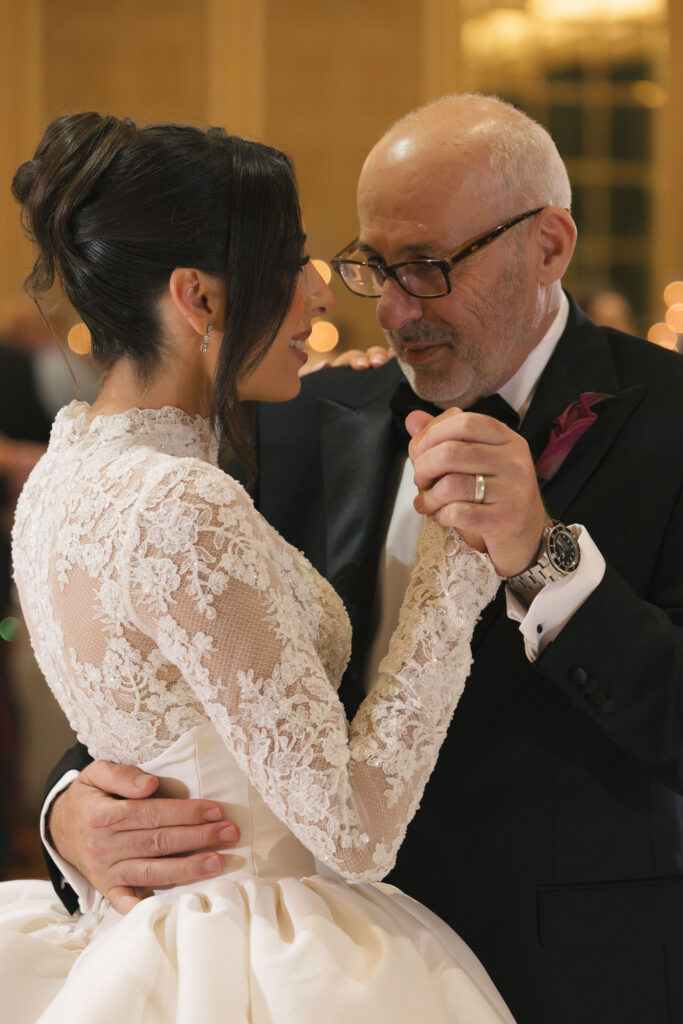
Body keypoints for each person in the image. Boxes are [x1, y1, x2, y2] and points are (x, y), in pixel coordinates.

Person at [44, 95, 683, 1024]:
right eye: (373, 266)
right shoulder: (294, 416)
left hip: (576, 972)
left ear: (548, 244)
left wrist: (540, 558)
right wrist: (74, 812)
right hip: (302, 979)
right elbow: (186, 658)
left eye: (426, 268)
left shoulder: (671, 417)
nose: (388, 308)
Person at [0, 111, 522, 1023]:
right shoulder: (181, 504)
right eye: (290, 262)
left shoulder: (62, 474)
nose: (320, 295)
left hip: (146, 942)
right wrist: (454, 576)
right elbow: (352, 833)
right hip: (260, 954)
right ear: (198, 298)